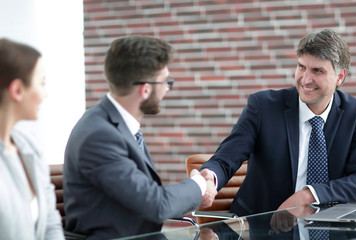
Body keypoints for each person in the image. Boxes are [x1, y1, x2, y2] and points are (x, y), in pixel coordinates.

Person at [200, 29, 356, 217]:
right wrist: (210, 177)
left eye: (317, 70)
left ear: (340, 76)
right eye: (302, 67)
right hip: (261, 227)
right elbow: (226, 158)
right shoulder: (263, 107)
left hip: (330, 228)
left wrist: (309, 194)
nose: (306, 79)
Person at [63, 35, 216, 239]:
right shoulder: (99, 135)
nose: (167, 89)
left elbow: (143, 198)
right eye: (166, 82)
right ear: (145, 89)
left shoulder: (117, 124)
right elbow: (156, 205)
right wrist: (198, 185)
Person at [0, 38, 65, 239]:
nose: (45, 94)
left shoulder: (29, 146)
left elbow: (51, 221)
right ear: (17, 90)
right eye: (42, 83)